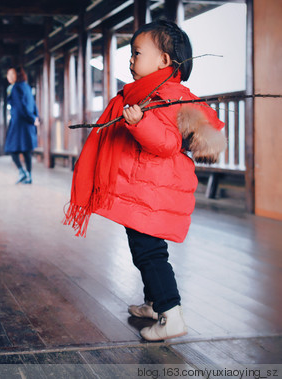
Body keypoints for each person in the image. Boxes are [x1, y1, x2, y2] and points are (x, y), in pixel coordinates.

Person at [63, 19, 226, 341]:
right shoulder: (151, 92)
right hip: (146, 190)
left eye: (137, 52)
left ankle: (171, 313)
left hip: (153, 192)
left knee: (150, 253)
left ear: (164, 61)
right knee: (145, 249)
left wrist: (139, 123)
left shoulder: (166, 96)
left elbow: (165, 144)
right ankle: (154, 304)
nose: (131, 60)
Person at [4, 66, 40, 184]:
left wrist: (31, 117)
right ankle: (28, 175)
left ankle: (22, 172)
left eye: (11, 74)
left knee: (11, 148)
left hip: (19, 123)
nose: (8, 77)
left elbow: (20, 107)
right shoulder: (27, 87)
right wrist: (35, 117)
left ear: (17, 75)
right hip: (29, 123)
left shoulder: (15, 88)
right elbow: (33, 104)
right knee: (26, 150)